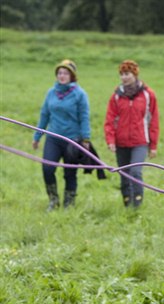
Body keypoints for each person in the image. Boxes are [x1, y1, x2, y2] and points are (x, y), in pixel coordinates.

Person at [32, 59, 91, 211]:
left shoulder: (80, 94)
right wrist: (37, 136)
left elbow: (84, 117)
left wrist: (85, 139)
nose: (62, 76)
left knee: (70, 172)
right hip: (53, 138)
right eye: (59, 73)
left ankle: (69, 203)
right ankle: (53, 200)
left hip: (72, 139)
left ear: (72, 76)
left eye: (65, 73)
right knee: (47, 168)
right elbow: (44, 115)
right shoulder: (51, 93)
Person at [104, 60, 159, 208]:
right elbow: (109, 119)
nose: (124, 77)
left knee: (135, 172)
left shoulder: (148, 95)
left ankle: (137, 204)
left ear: (134, 74)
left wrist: (153, 145)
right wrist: (110, 140)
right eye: (121, 74)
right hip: (120, 142)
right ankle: (127, 203)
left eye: (127, 74)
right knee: (124, 174)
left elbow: (153, 120)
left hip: (140, 142)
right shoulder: (116, 96)